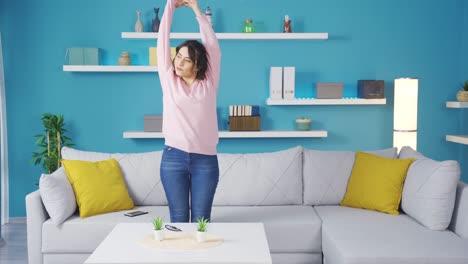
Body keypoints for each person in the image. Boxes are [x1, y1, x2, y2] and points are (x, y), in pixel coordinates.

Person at [157, 0, 221, 223]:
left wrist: (195, 9)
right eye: (178, 56)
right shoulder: (168, 79)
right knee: (179, 220)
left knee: (202, 222)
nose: (179, 62)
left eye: (187, 59)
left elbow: (212, 45)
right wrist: (170, 6)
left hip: (206, 161)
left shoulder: (209, 82)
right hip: (173, 158)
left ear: (198, 65)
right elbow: (162, 40)